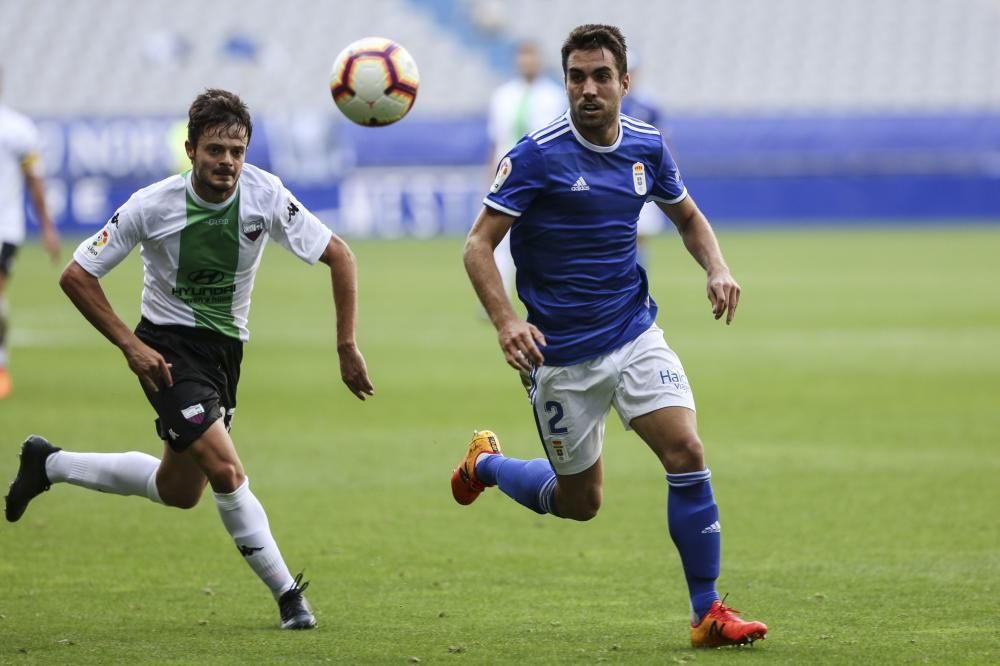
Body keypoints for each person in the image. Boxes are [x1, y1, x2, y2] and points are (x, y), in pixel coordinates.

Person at [4, 89, 374, 630]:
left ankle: (49, 463)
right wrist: (131, 345)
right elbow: (77, 274)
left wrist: (346, 345)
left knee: (180, 491)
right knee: (227, 469)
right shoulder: (151, 205)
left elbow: (340, 255)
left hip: (224, 353)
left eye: (236, 151)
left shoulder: (265, 195)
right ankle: (289, 596)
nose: (227, 162)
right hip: (167, 350)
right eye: (215, 150)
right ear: (191, 149)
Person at [453, 25, 768, 648]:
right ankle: (486, 465)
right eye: (577, 77)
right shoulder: (537, 155)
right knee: (580, 502)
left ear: (625, 82)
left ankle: (707, 612)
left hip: (632, 331)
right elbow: (477, 246)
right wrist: (507, 321)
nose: (589, 89)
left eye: (602, 76)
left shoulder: (647, 146)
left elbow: (688, 215)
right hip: (561, 357)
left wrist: (718, 267)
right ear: (564, 82)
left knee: (687, 452)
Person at [485, 40, 566, 300]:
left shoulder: (555, 96)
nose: (527, 61)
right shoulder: (502, 96)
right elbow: (497, 140)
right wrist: (491, 175)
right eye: (523, 56)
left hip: (544, 175)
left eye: (532, 56)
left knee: (548, 234)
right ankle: (498, 297)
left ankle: (554, 291)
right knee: (499, 237)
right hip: (508, 175)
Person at [0, 68, 60, 399]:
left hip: (4, 227)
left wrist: (47, 227)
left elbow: (35, 181)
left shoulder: (17, 129)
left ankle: (1, 364)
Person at [619, 53, 670, 269]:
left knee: (642, 233)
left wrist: (666, 172)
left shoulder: (647, 104)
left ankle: (639, 280)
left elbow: (662, 141)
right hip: (614, 175)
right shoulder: (607, 103)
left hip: (641, 176)